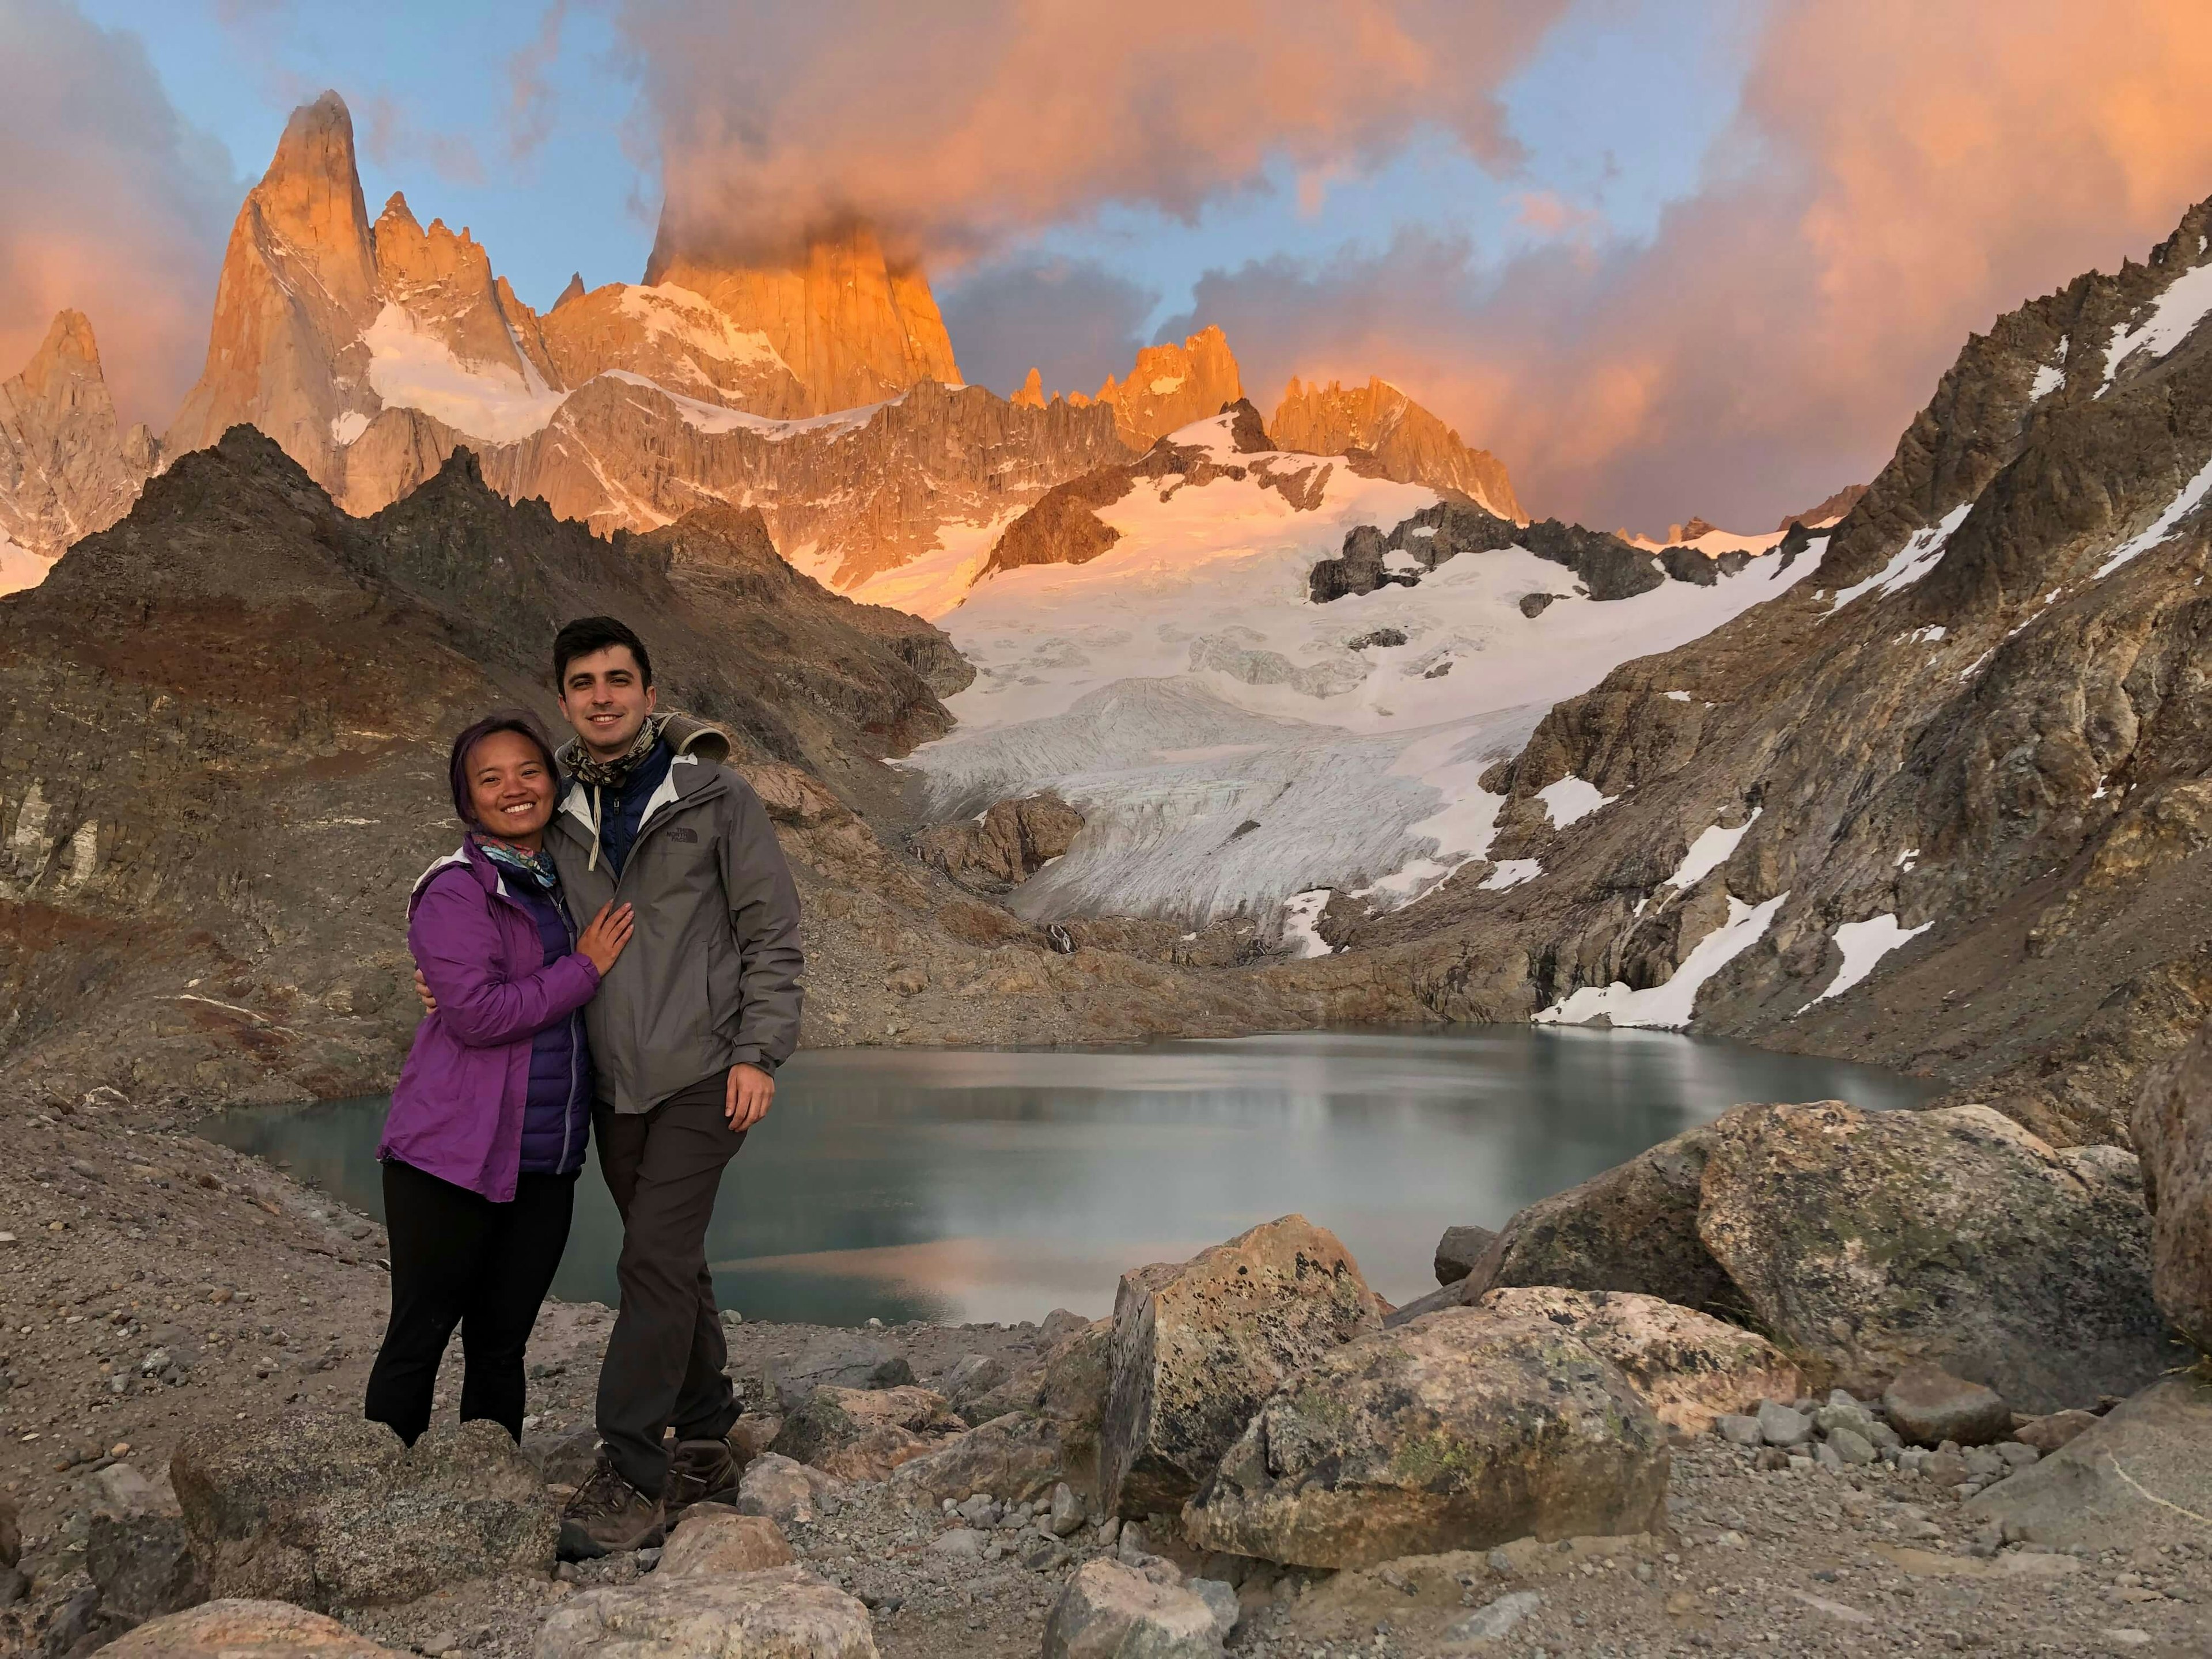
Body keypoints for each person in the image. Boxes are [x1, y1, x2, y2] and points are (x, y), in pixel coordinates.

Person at [539, 616, 804, 1558]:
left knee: (651, 1256)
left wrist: (757, 1052)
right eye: (584, 682)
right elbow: (503, 912)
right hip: (611, 1083)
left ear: (651, 694)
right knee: (674, 1260)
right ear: (564, 699)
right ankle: (705, 1431)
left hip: (703, 1069)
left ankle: (630, 1469)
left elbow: (772, 932)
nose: (603, 695)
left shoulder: (716, 798)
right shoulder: (553, 807)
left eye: (620, 679)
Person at [365, 713, 634, 1448]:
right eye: (491, 779)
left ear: (554, 781)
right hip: (449, 1156)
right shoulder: (457, 892)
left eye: (529, 771)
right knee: (418, 1338)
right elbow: (478, 1017)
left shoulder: (563, 884)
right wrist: (584, 967)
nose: (514, 788)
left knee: (501, 1344)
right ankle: (373, 1509)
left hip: (544, 1158)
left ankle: (485, 1505)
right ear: (467, 801)